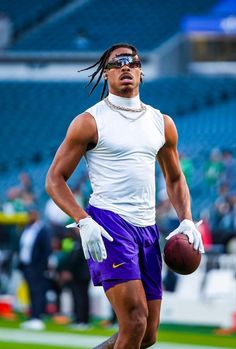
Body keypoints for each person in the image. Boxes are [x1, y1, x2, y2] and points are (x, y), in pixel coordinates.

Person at [45, 43, 204, 349]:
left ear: (141, 72)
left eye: (132, 62)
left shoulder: (162, 122)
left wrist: (186, 220)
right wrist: (83, 221)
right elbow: (54, 179)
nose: (126, 67)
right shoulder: (90, 121)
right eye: (117, 63)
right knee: (134, 321)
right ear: (106, 74)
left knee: (147, 335)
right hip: (109, 225)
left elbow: (174, 177)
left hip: (147, 229)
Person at [18, 205, 51, 330]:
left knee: (38, 291)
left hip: (37, 266)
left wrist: (42, 266)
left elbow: (46, 250)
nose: (29, 217)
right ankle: (32, 316)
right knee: (31, 291)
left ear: (36, 214)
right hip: (26, 265)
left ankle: (37, 317)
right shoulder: (27, 228)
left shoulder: (42, 230)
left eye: (31, 214)